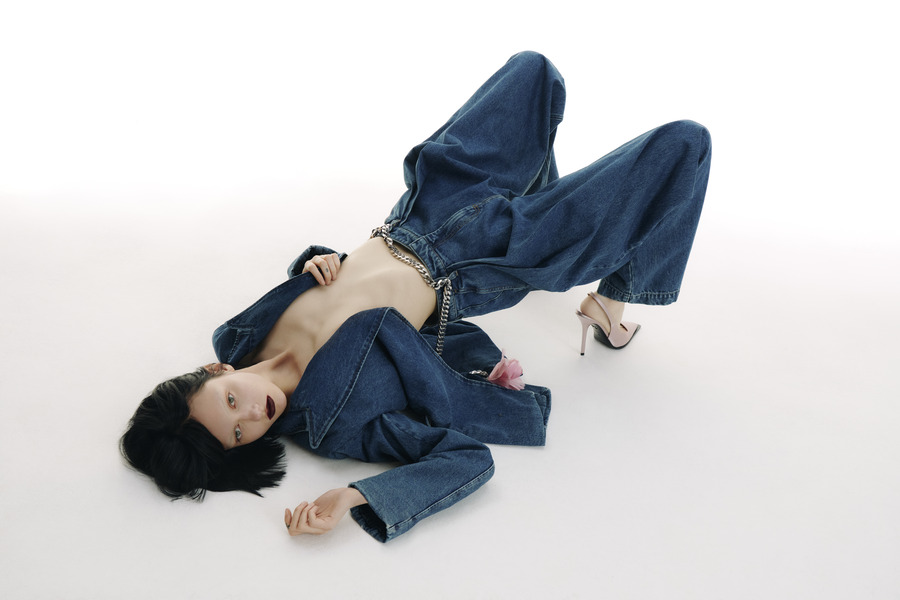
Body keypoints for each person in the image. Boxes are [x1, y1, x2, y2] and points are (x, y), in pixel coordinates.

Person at [120, 51, 712, 543]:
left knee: (534, 72)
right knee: (685, 145)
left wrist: (317, 261)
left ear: (214, 372)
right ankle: (613, 296)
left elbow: (325, 284)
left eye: (229, 402)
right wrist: (353, 495)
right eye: (239, 434)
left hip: (424, 207)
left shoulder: (236, 335)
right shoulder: (333, 422)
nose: (253, 416)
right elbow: (467, 459)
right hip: (482, 258)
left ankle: (544, 199)